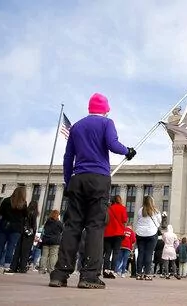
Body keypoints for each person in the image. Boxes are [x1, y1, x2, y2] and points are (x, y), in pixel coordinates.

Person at [49, 93, 136, 289]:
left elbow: (67, 156)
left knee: (72, 227)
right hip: (98, 178)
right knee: (96, 226)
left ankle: (60, 274)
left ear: (90, 108)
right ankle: (89, 275)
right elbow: (113, 145)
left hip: (77, 179)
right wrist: (128, 151)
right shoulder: (107, 123)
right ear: (105, 109)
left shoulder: (77, 126)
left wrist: (68, 181)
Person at [0, 186, 28, 274]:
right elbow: (25, 216)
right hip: (16, 229)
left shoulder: (6, 200)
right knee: (11, 248)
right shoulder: (23, 204)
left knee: (0, 246)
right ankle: (7, 267)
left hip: (4, 226)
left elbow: (1, 212)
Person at [134, 195, 161, 281]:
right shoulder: (155, 211)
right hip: (151, 233)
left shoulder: (140, 210)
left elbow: (138, 220)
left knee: (141, 253)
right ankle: (147, 273)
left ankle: (138, 273)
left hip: (140, 233)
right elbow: (159, 222)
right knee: (149, 254)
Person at [103, 195, 128, 279]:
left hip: (107, 233)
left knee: (107, 252)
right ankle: (113, 271)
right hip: (118, 233)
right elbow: (124, 220)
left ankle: (105, 270)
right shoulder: (122, 208)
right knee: (116, 253)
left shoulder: (108, 208)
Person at [10, 200, 39, 273]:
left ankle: (13, 267)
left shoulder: (25, 212)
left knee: (18, 250)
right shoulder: (33, 213)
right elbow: (33, 226)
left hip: (22, 232)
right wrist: (34, 233)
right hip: (29, 235)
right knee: (25, 252)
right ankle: (22, 267)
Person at [40, 210, 63, 274]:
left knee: (44, 255)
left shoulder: (47, 222)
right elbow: (62, 230)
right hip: (55, 241)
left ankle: (42, 269)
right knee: (53, 255)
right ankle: (51, 270)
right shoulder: (59, 223)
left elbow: (44, 229)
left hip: (46, 240)